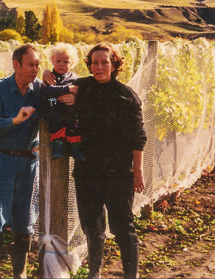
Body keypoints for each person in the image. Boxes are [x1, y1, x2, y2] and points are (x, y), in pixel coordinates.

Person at [72, 43, 146, 279]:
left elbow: (138, 137)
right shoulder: (81, 87)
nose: (99, 66)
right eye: (95, 62)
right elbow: (52, 92)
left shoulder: (126, 95)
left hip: (118, 175)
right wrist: (47, 75)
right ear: (89, 65)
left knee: (123, 228)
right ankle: (95, 274)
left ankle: (130, 276)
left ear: (115, 65)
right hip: (87, 174)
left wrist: (137, 172)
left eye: (105, 62)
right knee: (93, 229)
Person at [0, 43, 41, 279]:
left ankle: (20, 274)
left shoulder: (39, 91)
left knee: (25, 219)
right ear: (16, 65)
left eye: (37, 65)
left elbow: (55, 103)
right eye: (30, 65)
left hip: (28, 164)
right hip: (0, 160)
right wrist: (14, 121)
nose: (35, 69)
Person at [39, 43, 84, 160]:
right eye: (58, 61)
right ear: (52, 61)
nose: (61, 64)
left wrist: (75, 98)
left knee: (74, 125)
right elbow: (48, 90)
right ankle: (57, 146)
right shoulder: (50, 76)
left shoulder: (75, 78)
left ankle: (75, 147)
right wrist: (67, 88)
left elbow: (80, 92)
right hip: (53, 109)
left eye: (66, 62)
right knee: (55, 124)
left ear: (72, 63)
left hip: (69, 111)